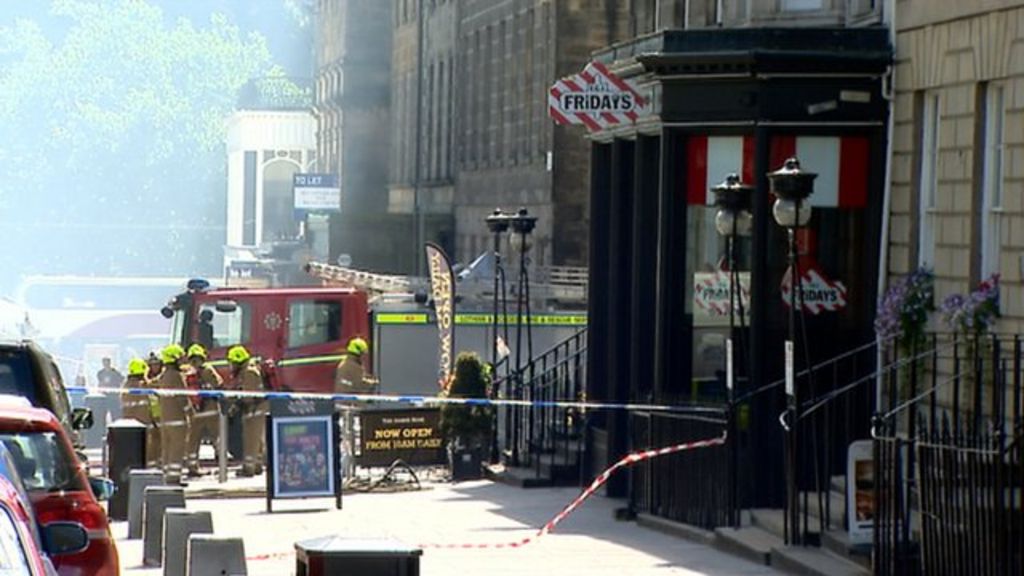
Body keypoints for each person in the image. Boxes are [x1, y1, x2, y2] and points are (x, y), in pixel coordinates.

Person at [183, 344, 222, 478]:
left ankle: (192, 467)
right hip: (210, 409)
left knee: (193, 440)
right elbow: (218, 384)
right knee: (217, 437)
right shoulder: (208, 370)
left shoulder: (186, 372)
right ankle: (222, 467)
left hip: (195, 411)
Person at [227, 345, 266, 477]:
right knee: (256, 440)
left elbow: (248, 397)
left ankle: (248, 469)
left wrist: (236, 407)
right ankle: (257, 466)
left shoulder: (249, 372)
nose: (231, 366)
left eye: (232, 363)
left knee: (250, 439)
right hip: (256, 409)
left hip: (254, 409)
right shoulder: (249, 370)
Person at [156, 344, 192, 484]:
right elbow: (182, 397)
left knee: (167, 448)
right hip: (177, 419)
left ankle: (166, 476)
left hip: (165, 419)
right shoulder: (176, 376)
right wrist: (190, 410)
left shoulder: (163, 376)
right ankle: (174, 477)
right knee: (177, 448)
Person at [120, 358, 161, 468]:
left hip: (128, 425)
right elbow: (157, 385)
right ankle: (150, 468)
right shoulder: (142, 385)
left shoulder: (125, 385)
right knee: (149, 450)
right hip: (144, 424)